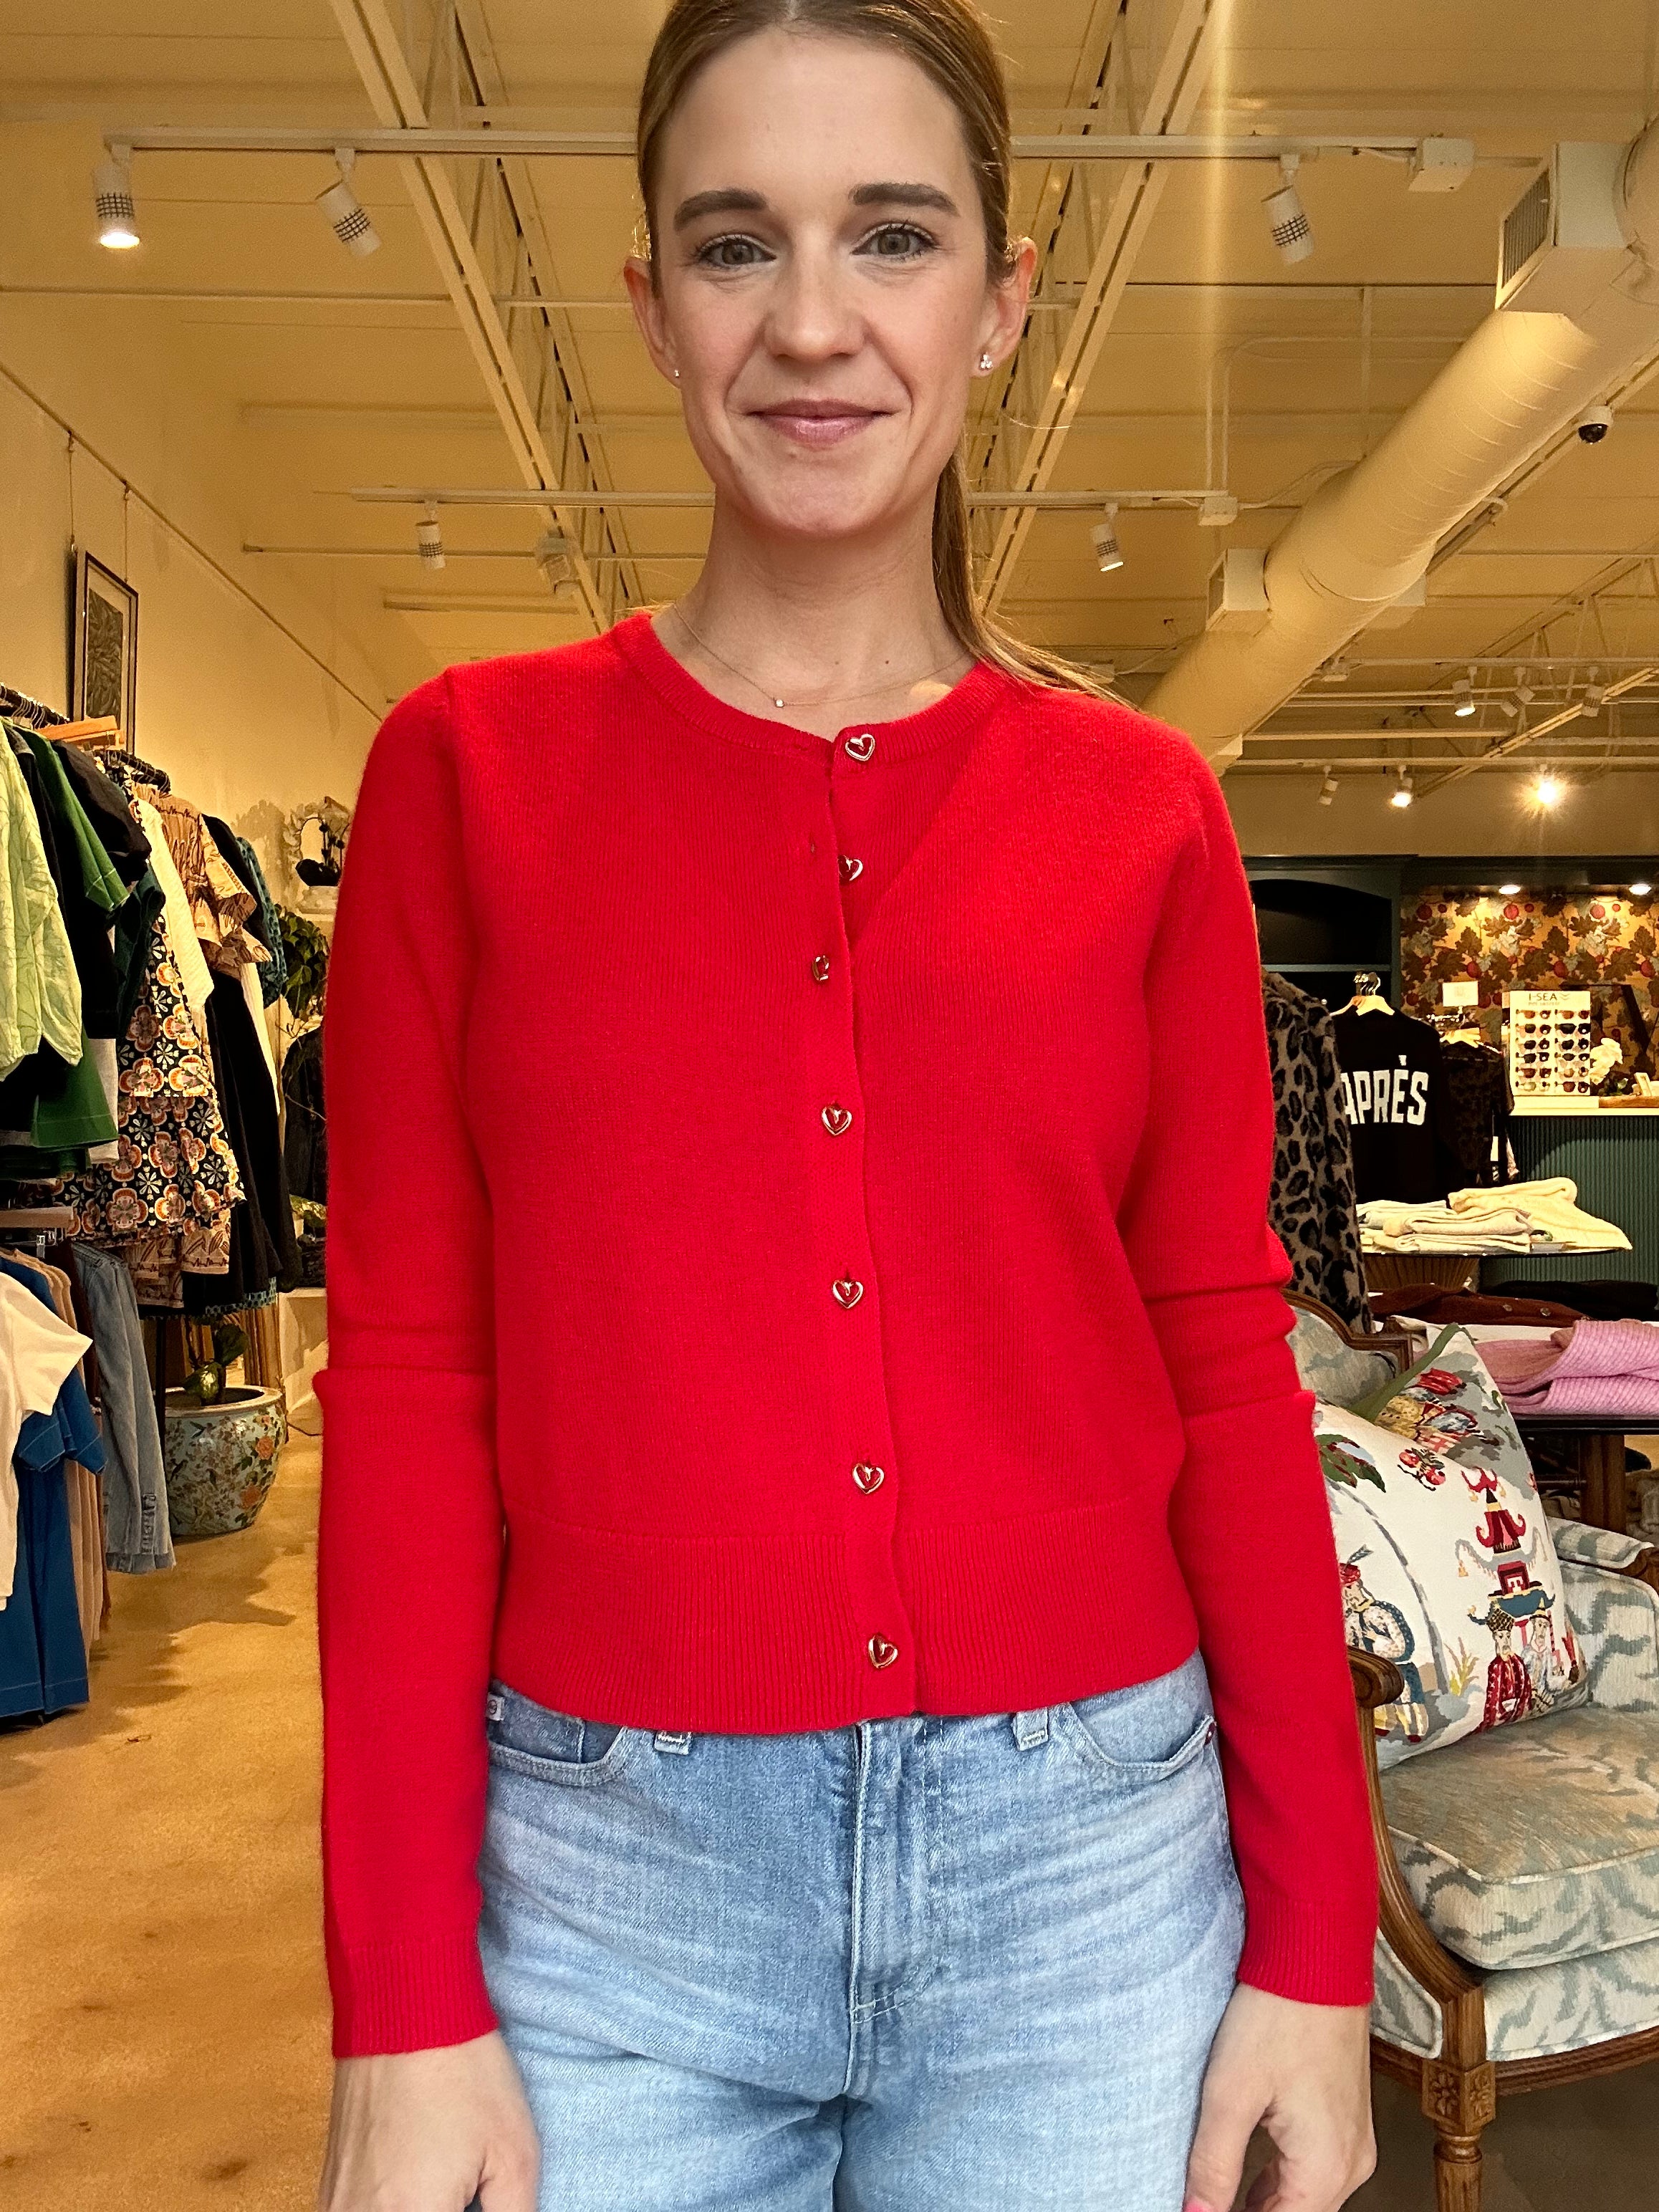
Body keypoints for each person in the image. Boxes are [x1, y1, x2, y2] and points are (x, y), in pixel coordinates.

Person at [314, 4, 1380, 2209]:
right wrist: (399, 2000)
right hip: (609, 1889)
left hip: (1089, 1883)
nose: (812, 323)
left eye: (891, 236)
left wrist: (1311, 1950)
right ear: (651, 304)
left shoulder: (1139, 813)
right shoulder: (466, 779)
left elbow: (1223, 1363)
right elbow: (411, 1389)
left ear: (999, 298)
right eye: (737, 244)